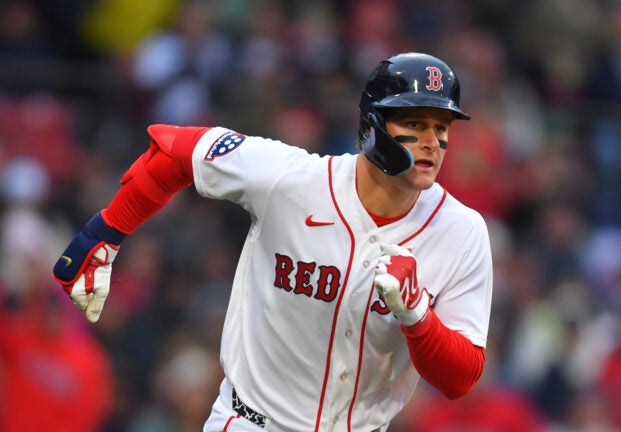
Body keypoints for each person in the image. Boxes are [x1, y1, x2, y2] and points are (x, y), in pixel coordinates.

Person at [53, 52, 493, 432]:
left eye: (442, 126)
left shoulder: (462, 231)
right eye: (414, 122)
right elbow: (174, 152)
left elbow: (461, 379)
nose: (432, 142)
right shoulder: (291, 180)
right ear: (373, 125)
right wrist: (104, 233)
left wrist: (417, 315)